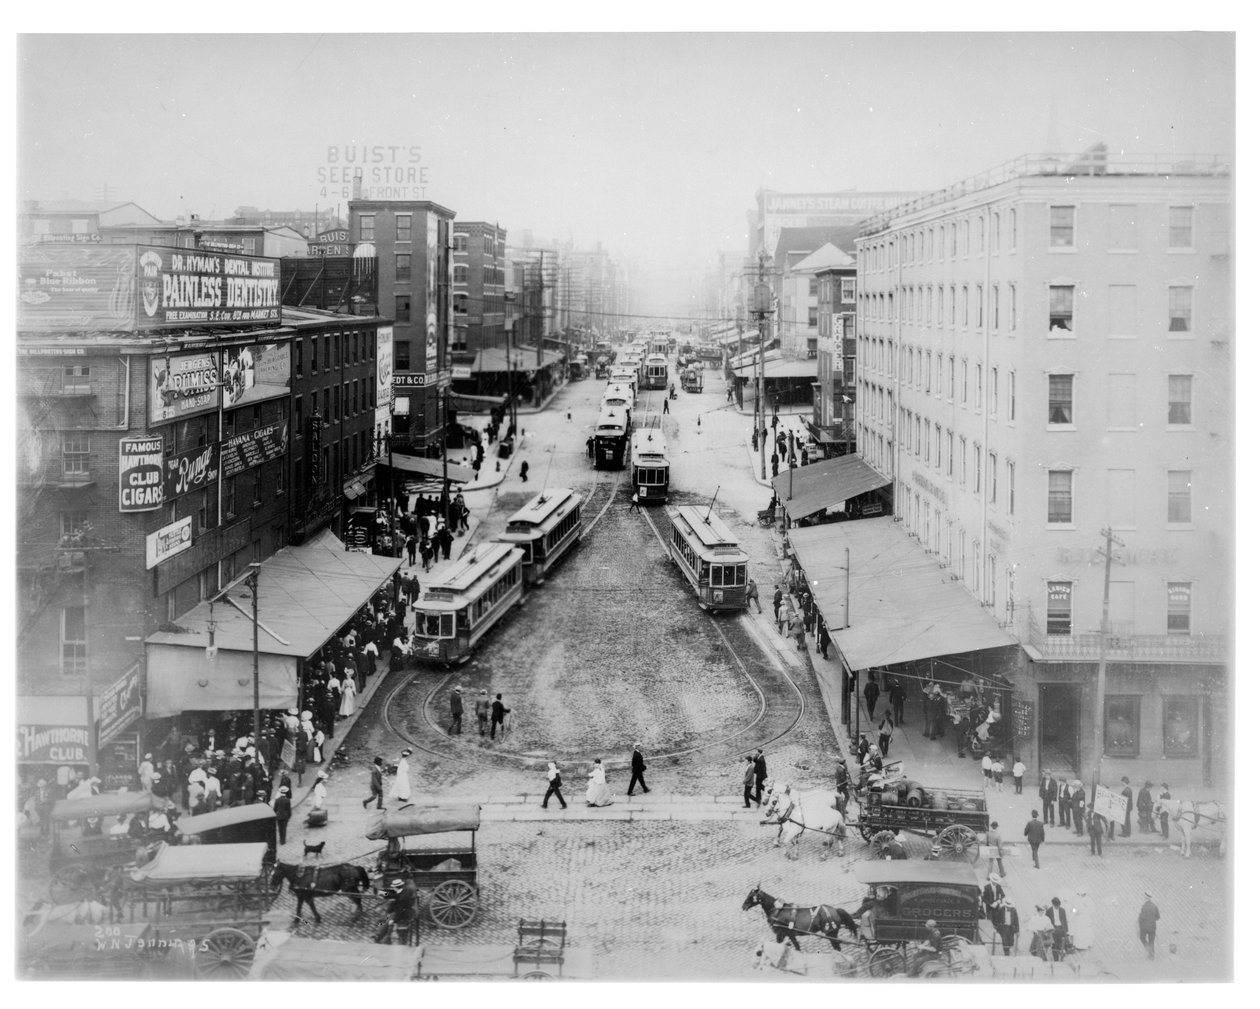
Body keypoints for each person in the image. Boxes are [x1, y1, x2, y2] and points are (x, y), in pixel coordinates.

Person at [377, 876, 418, 944]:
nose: (392, 888)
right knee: (383, 919)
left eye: (393, 887)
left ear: (395, 887)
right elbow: (393, 894)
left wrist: (393, 919)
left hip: (404, 913)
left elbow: (399, 910)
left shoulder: (402, 897)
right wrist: (382, 893)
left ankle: (380, 937)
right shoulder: (403, 890)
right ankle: (378, 934)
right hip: (399, 910)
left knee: (387, 920)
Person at [1138, 892, 1161, 959]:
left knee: (1142, 938)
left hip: (1144, 927)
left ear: (1145, 899)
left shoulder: (1144, 907)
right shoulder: (1154, 906)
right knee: (1151, 941)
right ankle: (1151, 955)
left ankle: (1148, 948)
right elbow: (1158, 917)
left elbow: (1141, 918)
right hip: (1152, 926)